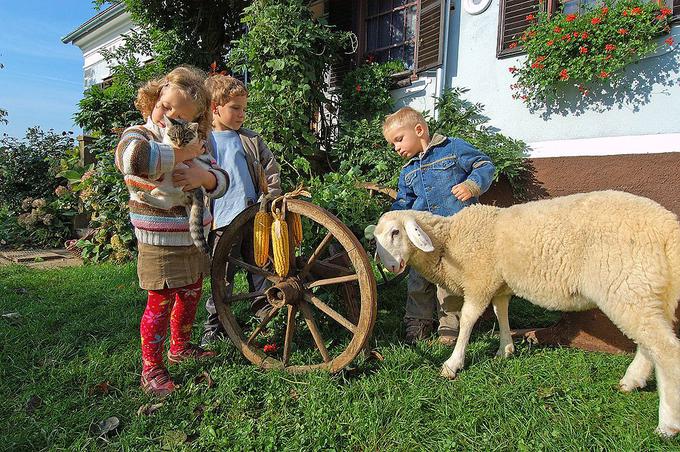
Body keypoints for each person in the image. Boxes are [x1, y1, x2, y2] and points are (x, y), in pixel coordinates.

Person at [115, 66, 230, 396]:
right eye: (165, 107)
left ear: (196, 120)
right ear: (156, 95)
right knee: (160, 299)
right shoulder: (139, 135)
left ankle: (179, 347)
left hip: (193, 235)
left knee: (191, 291)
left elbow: (220, 180)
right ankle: (151, 367)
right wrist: (182, 154)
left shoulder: (200, 142)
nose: (169, 119)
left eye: (180, 116)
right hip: (159, 237)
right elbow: (133, 161)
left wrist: (203, 178)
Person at [383, 106, 495, 345]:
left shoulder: (452, 148)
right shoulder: (408, 172)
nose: (396, 148)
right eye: (393, 144)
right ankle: (418, 323)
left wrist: (472, 185)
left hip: (455, 235)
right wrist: (390, 222)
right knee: (417, 280)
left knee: (450, 281)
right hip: (421, 236)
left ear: (419, 130)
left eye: (399, 140)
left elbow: (484, 164)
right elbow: (404, 203)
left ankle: (450, 327)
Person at [200, 74, 282, 346]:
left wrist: (271, 196)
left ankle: (264, 312)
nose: (241, 114)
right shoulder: (204, 141)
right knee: (221, 275)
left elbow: (269, 170)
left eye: (244, 109)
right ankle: (215, 324)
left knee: (260, 265)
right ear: (215, 108)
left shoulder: (249, 139)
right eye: (235, 108)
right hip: (221, 221)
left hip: (252, 215)